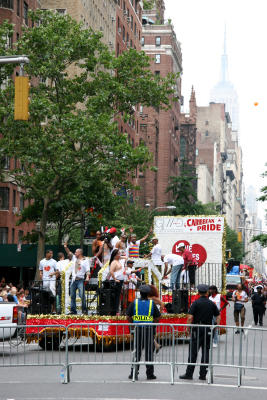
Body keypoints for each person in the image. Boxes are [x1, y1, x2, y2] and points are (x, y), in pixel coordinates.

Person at [179, 284, 220, 381]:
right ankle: (203, 374)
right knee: (206, 352)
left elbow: (189, 317)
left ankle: (189, 373)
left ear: (198, 292)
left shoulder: (195, 303)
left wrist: (187, 329)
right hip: (208, 329)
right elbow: (218, 316)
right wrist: (215, 327)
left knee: (193, 352)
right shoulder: (211, 304)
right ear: (207, 293)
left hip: (197, 329)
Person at [127, 285, 161, 380]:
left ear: (140, 293)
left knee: (136, 351)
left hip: (137, 330)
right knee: (149, 352)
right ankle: (150, 374)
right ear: (148, 294)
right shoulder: (151, 304)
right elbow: (158, 317)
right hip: (149, 330)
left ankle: (133, 373)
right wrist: (153, 324)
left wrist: (132, 324)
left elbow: (128, 316)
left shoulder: (135, 302)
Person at [64, 243, 90, 314]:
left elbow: (88, 270)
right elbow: (69, 253)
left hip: (80, 280)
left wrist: (87, 277)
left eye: (76, 252)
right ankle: (73, 310)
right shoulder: (74, 258)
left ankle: (84, 310)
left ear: (80, 253)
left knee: (82, 295)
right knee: (72, 296)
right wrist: (66, 247)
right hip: (73, 279)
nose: (75, 253)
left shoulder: (85, 260)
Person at [109, 249, 125, 315]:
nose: (120, 254)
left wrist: (119, 256)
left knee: (118, 296)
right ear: (115, 255)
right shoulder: (114, 262)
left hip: (120, 281)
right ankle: (114, 311)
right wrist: (115, 279)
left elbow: (126, 257)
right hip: (116, 281)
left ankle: (116, 310)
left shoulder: (118, 261)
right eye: (118, 253)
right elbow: (111, 271)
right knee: (115, 297)